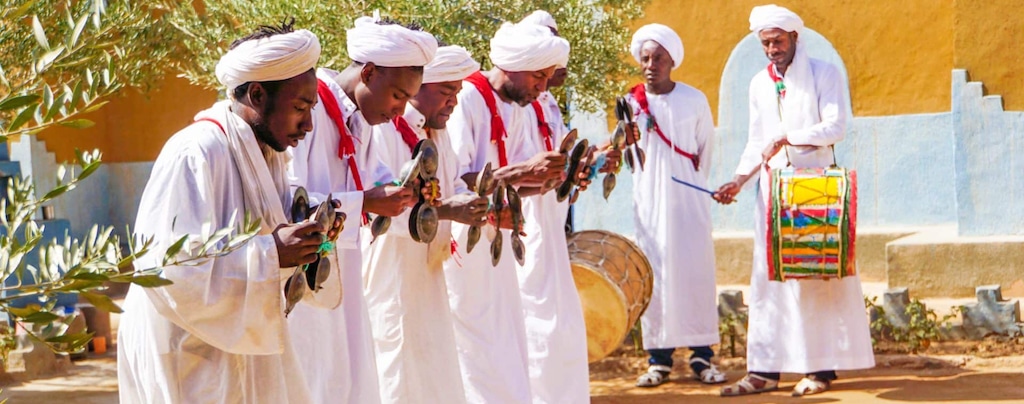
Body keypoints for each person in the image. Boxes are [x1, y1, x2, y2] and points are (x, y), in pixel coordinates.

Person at [118, 21, 339, 403]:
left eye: (311, 108)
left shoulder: (267, 152)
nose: (308, 124)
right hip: (187, 351)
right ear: (256, 94)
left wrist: (313, 233)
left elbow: (266, 233)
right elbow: (166, 270)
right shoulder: (196, 153)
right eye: (299, 108)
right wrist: (272, 253)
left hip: (238, 348)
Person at [713, 4, 874, 397]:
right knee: (768, 282)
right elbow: (756, 142)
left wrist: (789, 136)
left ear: (795, 38)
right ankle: (765, 370)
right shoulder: (757, 84)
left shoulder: (824, 73)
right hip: (771, 193)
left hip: (812, 189)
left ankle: (818, 369)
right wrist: (737, 179)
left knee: (812, 280)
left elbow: (835, 127)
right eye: (765, 42)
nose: (771, 48)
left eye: (778, 41)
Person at [286, 16, 437, 403]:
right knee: (314, 377)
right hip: (303, 275)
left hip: (346, 272)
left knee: (348, 376)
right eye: (398, 96)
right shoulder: (309, 111)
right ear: (368, 72)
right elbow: (290, 200)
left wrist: (397, 192)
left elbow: (371, 181)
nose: (400, 111)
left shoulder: (364, 120)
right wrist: (366, 202)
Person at [444, 20, 571, 404]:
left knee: (507, 346)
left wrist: (551, 179)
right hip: (464, 249)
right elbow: (455, 179)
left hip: (498, 247)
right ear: (512, 66)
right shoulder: (466, 98)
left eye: (548, 78)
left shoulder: (515, 104)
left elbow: (514, 180)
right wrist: (523, 172)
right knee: (476, 349)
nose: (543, 87)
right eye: (538, 76)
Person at [362, 44, 483, 404]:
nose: (453, 103)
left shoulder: (436, 134)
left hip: (428, 274)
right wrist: (446, 211)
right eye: (447, 92)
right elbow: (385, 210)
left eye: (458, 93)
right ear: (420, 88)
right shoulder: (385, 130)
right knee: (396, 364)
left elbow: (452, 186)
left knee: (432, 367)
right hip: (392, 270)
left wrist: (476, 206)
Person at [513, 10, 619, 403]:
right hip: (524, 230)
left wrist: (586, 166)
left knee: (559, 325)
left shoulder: (548, 103)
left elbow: (558, 160)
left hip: (550, 230)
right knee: (534, 322)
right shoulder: (517, 104)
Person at [622, 23, 726, 389]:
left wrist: (692, 187)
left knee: (695, 272)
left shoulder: (694, 99)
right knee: (656, 274)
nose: (651, 65)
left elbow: (704, 151)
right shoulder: (631, 103)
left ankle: (701, 355)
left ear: (672, 61)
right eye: (646, 58)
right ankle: (659, 359)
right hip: (649, 201)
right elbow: (630, 157)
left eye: (659, 58)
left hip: (689, 199)